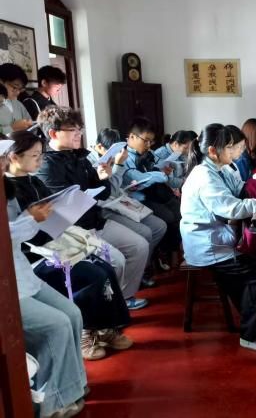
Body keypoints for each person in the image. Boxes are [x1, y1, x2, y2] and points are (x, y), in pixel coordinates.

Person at [6, 131, 132, 360]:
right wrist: (37, 219)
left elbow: (53, 211)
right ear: (14, 157)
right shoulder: (9, 190)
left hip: (55, 241)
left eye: (41, 155)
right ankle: (87, 331)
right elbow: (19, 234)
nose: (40, 161)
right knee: (92, 275)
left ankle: (106, 327)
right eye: (35, 156)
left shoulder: (34, 181)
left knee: (105, 267)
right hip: (36, 254)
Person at [180, 123, 256, 350]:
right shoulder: (204, 176)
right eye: (232, 147)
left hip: (222, 238)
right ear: (213, 150)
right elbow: (232, 208)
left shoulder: (221, 168)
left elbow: (243, 192)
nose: (238, 152)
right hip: (210, 245)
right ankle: (252, 335)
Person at [35, 106, 151, 310]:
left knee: (139, 246)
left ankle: (123, 298)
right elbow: (64, 205)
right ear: (53, 133)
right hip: (72, 229)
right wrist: (90, 190)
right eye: (72, 130)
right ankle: (108, 307)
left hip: (95, 220)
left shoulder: (79, 156)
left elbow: (103, 194)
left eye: (79, 129)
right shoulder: (46, 164)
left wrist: (104, 177)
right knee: (116, 261)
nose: (78, 133)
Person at [3, 165, 87, 417]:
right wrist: (30, 219)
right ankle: (53, 402)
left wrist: (34, 216)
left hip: (21, 273)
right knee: (56, 326)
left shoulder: (7, 186)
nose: (3, 163)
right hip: (7, 286)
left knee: (72, 313)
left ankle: (73, 386)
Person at [88, 127, 168, 280]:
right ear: (99, 147)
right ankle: (137, 273)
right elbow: (109, 192)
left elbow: (117, 187)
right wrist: (117, 165)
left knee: (159, 226)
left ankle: (142, 267)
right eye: (111, 152)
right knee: (145, 232)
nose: (115, 156)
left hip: (120, 201)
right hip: (104, 208)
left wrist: (118, 167)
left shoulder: (120, 157)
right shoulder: (90, 162)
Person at [123, 117, 181, 269]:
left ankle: (171, 253)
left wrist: (165, 170)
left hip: (154, 194)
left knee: (178, 211)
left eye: (151, 141)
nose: (149, 145)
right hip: (137, 199)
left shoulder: (148, 153)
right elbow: (136, 179)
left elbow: (158, 167)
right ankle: (158, 256)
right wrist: (159, 175)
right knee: (167, 217)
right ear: (132, 137)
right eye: (146, 141)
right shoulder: (124, 156)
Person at [0, 63, 32, 134]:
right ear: (1, 82)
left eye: (20, 89)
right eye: (14, 87)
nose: (17, 92)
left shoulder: (18, 104)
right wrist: (12, 128)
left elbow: (31, 126)